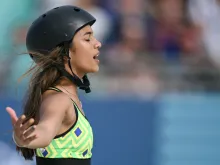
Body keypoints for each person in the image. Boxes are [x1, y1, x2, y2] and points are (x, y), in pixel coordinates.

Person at [6, 5, 101, 165]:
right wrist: (22, 138)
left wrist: (23, 139)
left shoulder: (65, 97)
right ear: (65, 52)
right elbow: (45, 131)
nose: (97, 43)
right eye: (87, 38)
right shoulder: (59, 99)